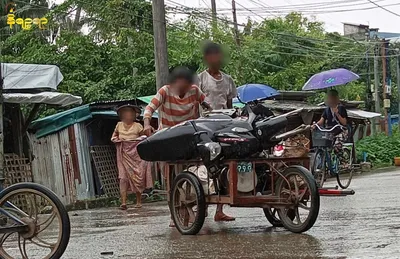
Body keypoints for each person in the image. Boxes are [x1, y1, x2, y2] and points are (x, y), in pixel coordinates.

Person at [143, 66, 211, 227]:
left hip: (190, 136)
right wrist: (146, 123)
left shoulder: (195, 91)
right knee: (171, 177)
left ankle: (201, 207)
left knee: (200, 170)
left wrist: (215, 113)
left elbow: (208, 105)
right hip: (169, 137)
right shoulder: (165, 91)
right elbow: (149, 109)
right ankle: (174, 215)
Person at [197, 42, 236, 222]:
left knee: (223, 164)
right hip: (205, 124)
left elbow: (230, 105)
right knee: (204, 163)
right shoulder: (200, 79)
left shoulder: (228, 80)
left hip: (224, 123)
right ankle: (201, 203)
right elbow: (195, 102)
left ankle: (219, 209)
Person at [111, 104, 153, 210]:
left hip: (136, 155)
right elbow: (113, 137)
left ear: (134, 115)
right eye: (125, 113)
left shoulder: (138, 126)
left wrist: (138, 139)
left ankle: (138, 201)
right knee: (123, 178)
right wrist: (117, 140)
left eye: (130, 113)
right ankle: (123, 202)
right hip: (123, 154)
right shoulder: (118, 125)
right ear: (122, 115)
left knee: (137, 176)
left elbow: (145, 137)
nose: (128, 115)